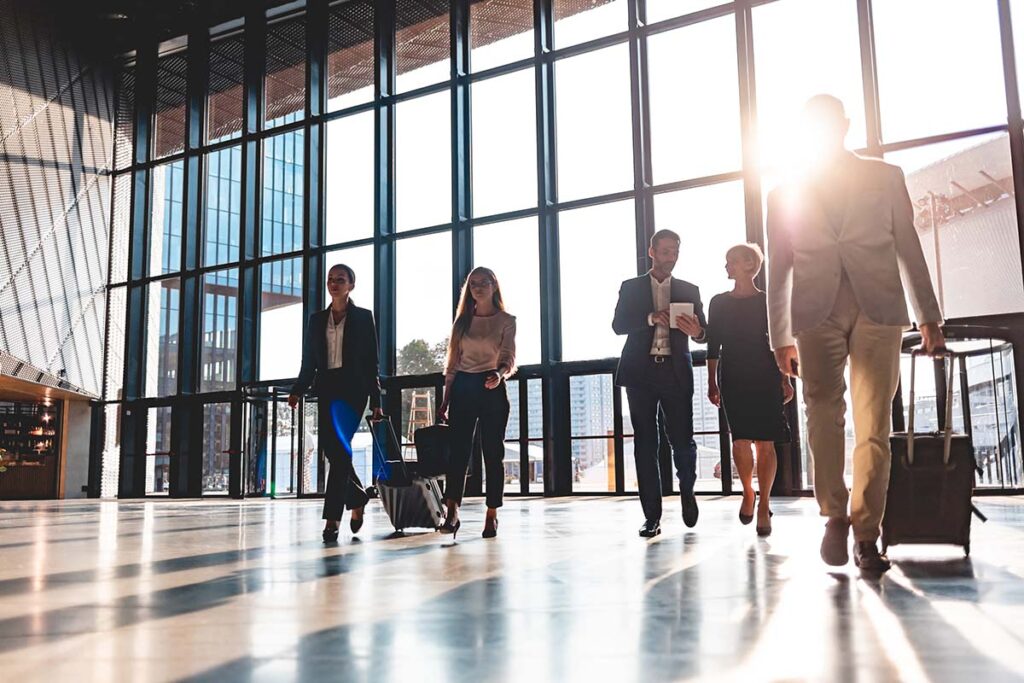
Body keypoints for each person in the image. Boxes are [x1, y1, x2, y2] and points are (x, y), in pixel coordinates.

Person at [766, 95, 945, 572]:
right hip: (814, 312)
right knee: (821, 414)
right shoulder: (783, 193)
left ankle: (867, 534)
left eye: (830, 122)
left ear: (845, 125)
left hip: (879, 307)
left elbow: (908, 245)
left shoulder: (885, 177)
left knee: (874, 426)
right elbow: (779, 268)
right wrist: (778, 336)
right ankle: (835, 515)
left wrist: (928, 315)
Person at [613, 229, 707, 538]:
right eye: (665, 251)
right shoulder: (631, 288)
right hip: (640, 373)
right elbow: (618, 325)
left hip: (675, 371)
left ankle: (687, 491)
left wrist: (697, 332)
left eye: (675, 251)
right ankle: (651, 516)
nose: (671, 257)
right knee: (645, 444)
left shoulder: (689, 289)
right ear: (652, 251)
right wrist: (652, 318)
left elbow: (704, 332)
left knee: (683, 440)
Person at [289, 264, 383, 543]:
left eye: (340, 280)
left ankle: (332, 519)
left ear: (351, 285)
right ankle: (356, 498)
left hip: (354, 391)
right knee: (333, 450)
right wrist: (297, 390)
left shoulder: (364, 318)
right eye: (331, 279)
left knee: (340, 449)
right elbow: (309, 362)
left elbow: (371, 364)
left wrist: (376, 401)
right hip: (327, 388)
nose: (334, 284)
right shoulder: (316, 320)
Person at [706, 243, 793, 538]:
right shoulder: (718, 302)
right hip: (732, 374)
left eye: (731, 261)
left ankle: (765, 502)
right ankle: (748, 492)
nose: (726, 267)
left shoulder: (768, 302)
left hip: (765, 373)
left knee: (766, 442)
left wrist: (785, 378)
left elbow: (778, 342)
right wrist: (711, 381)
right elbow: (712, 344)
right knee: (740, 439)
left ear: (748, 265)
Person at [438, 267, 516, 540]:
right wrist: (445, 399)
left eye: (484, 283)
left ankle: (492, 514)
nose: (479, 287)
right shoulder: (462, 322)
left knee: (493, 453)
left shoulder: (507, 320)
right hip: (463, 387)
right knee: (458, 453)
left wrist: (499, 373)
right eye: (473, 284)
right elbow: (452, 364)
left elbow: (508, 356)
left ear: (494, 286)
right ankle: (452, 513)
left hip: (492, 385)